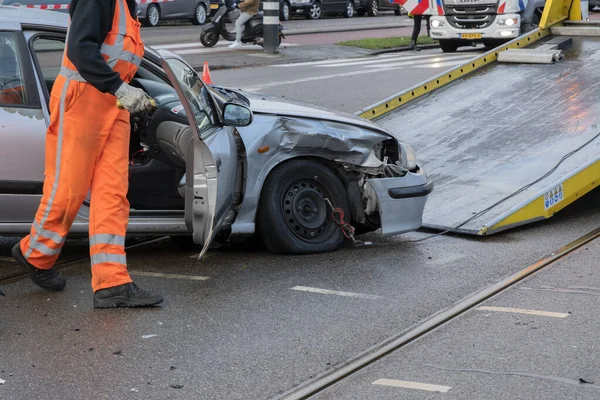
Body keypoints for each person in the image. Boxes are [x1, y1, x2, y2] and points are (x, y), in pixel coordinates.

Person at [11, 0, 164, 308]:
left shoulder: (126, 6)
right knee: (68, 190)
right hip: (82, 102)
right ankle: (35, 253)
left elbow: (117, 57)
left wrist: (128, 91)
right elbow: (82, 50)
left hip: (113, 106)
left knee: (113, 194)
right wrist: (120, 89)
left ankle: (112, 282)